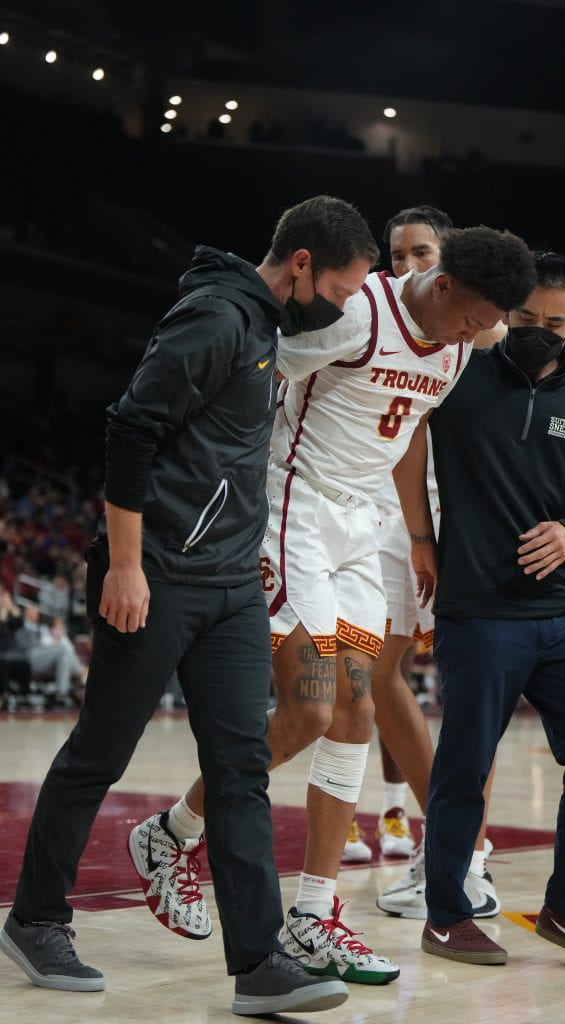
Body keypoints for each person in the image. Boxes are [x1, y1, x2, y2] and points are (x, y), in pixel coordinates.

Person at [0, 194, 381, 1017]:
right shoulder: (214, 318)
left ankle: (258, 962)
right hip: (160, 574)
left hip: (233, 585)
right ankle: (35, 918)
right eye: (346, 289)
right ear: (303, 265)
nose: (349, 306)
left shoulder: (268, 327)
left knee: (241, 767)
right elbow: (130, 430)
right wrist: (127, 566)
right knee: (101, 751)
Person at [130, 225, 537, 983]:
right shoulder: (354, 317)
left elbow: (415, 422)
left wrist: (418, 532)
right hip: (298, 512)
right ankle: (174, 832)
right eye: (477, 315)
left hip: (366, 528)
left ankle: (313, 914)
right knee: (312, 709)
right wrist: (229, 493)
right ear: (443, 286)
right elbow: (255, 376)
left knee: (354, 707)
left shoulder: (468, 335)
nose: (486, 334)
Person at [400, 251, 565, 971]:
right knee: (464, 767)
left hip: (561, 613)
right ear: (506, 310)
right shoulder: (457, 372)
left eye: (553, 323)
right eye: (524, 317)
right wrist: (420, 538)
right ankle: (444, 915)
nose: (537, 331)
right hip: (478, 611)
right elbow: (405, 439)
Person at [340, 205, 503, 922]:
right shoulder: (372, 316)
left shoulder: (472, 329)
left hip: (454, 521)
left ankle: (464, 850)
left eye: (423, 252)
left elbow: (502, 328)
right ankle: (438, 834)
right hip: (385, 517)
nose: (408, 265)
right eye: (397, 253)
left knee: (477, 687)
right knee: (372, 674)